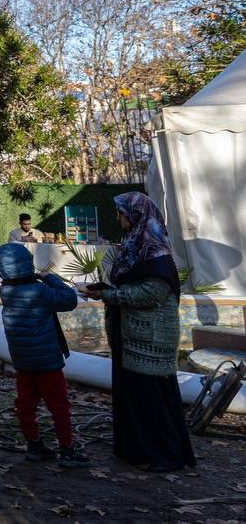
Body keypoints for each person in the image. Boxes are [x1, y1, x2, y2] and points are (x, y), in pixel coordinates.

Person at [80, 192, 196, 473]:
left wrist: (110, 295)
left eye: (121, 213)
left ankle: (166, 455)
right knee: (133, 395)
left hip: (150, 337)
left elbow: (152, 293)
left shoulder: (155, 251)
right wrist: (106, 290)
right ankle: (136, 449)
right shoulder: (135, 245)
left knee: (152, 397)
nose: (119, 218)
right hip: (129, 334)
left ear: (136, 215)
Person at [0, 242, 88, 467]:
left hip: (23, 361)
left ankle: (34, 446)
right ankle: (67, 451)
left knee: (25, 403)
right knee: (59, 405)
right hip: (47, 362)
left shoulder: (6, 290)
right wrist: (48, 277)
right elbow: (69, 299)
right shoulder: (40, 291)